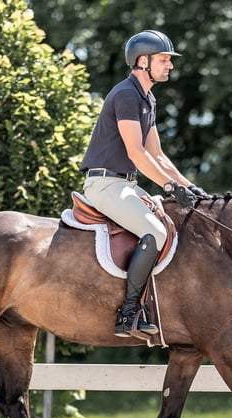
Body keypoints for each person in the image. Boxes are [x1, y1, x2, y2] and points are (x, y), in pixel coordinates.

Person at [80, 29, 210, 339]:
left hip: (125, 183)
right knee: (155, 231)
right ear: (143, 61)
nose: (170, 66)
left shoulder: (146, 98)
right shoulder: (126, 95)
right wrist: (169, 187)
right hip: (105, 184)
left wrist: (189, 186)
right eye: (164, 60)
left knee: (172, 224)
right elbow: (136, 153)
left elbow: (157, 154)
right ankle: (128, 313)